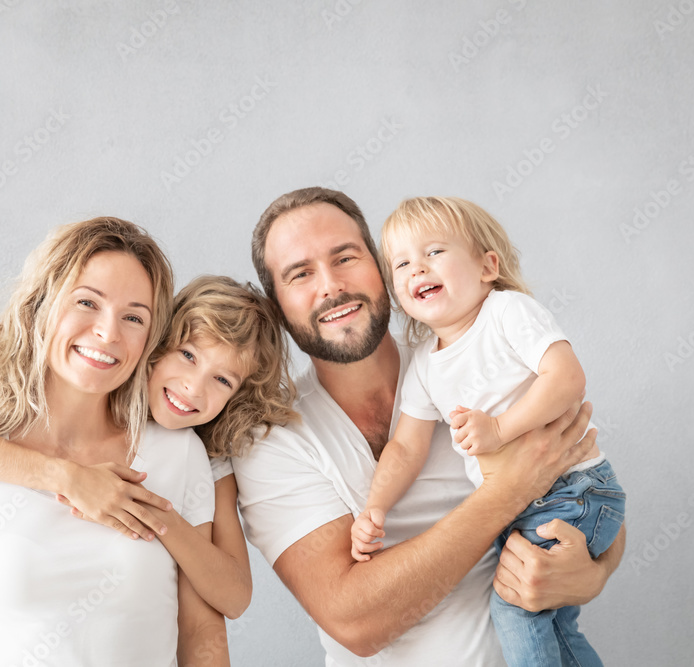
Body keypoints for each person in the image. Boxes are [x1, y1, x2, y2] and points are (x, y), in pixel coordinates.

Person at [232, 187, 626, 665]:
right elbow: (356, 622)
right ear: (276, 305)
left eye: (346, 257)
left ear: (381, 266)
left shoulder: (465, 348)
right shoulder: (271, 441)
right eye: (300, 274)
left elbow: (577, 471)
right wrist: (509, 489)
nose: (331, 285)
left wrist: (595, 572)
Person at [0, 273, 296, 652]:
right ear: (157, 345)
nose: (194, 387)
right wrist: (71, 479)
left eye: (222, 380)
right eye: (188, 355)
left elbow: (227, 603)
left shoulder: (195, 454)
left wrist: (156, 514)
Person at [0, 217, 220, 666]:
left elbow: (202, 632)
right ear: (40, 305)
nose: (108, 333)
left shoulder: (176, 453)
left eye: (133, 317)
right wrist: (68, 478)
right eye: (87, 302)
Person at [350, 196, 625, 666]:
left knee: (515, 609)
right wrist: (375, 507)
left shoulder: (507, 312)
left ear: (487, 266)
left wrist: (499, 429)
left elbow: (566, 378)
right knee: (554, 626)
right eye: (401, 263)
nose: (417, 268)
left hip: (573, 491)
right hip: (520, 508)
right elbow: (405, 448)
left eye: (434, 252)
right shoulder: (423, 363)